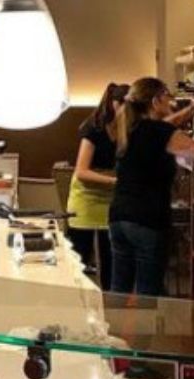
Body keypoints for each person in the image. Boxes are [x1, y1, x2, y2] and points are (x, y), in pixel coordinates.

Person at [108, 77, 194, 297]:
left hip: (119, 217)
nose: (172, 102)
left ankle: (112, 321)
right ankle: (148, 322)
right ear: (156, 101)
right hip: (147, 219)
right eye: (168, 96)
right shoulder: (159, 132)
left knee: (119, 289)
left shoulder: (130, 128)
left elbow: (167, 125)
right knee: (149, 294)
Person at [66, 82, 129, 290]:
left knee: (111, 257)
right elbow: (81, 171)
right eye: (125, 106)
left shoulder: (129, 129)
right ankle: (76, 301)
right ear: (114, 104)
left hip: (111, 197)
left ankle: (108, 302)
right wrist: (115, 181)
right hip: (86, 196)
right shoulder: (94, 127)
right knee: (79, 256)